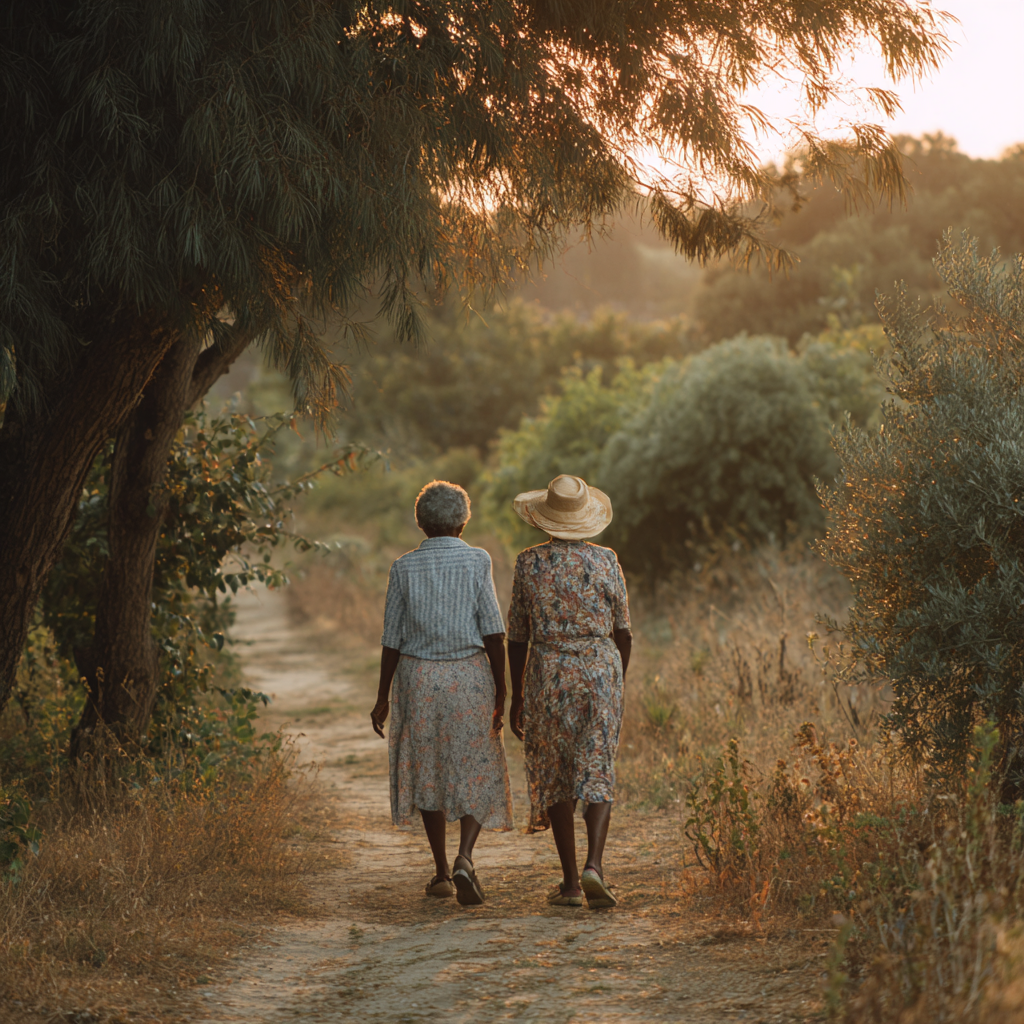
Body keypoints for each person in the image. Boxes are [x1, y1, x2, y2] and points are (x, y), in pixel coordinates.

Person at [370, 480, 512, 906]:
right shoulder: (478, 561)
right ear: (463, 521)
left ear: (421, 522)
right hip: (469, 677)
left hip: (418, 681)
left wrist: (382, 697)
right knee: (475, 764)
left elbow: (391, 639)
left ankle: (439, 871)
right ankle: (465, 858)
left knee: (428, 768)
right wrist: (503, 691)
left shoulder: (403, 567)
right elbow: (493, 631)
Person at [507, 474, 631, 909]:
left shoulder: (528, 563)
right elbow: (624, 633)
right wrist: (614, 682)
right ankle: (595, 866)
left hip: (548, 674)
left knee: (557, 773)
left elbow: (517, 637)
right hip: (599, 672)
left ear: (545, 519)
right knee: (598, 766)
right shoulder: (606, 561)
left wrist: (517, 696)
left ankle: (571, 885)